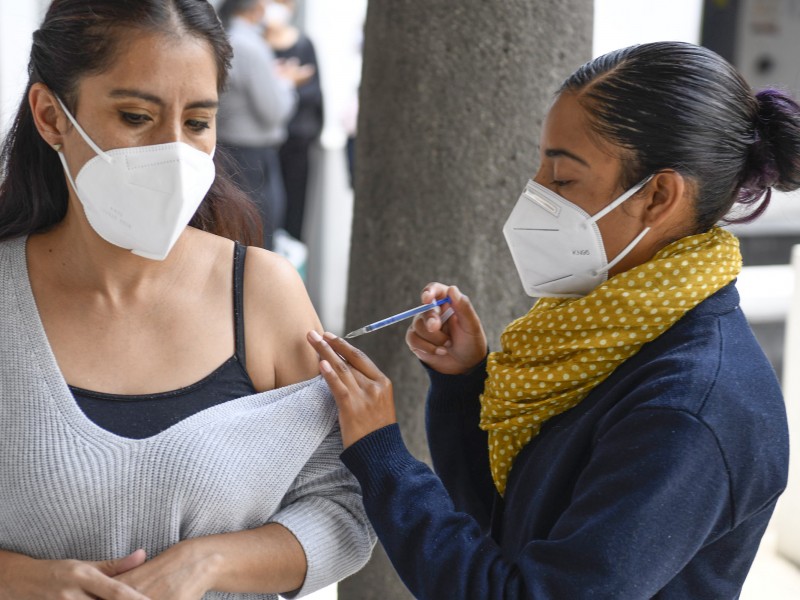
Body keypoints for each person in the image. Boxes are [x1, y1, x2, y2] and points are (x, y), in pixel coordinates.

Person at [306, 41, 795, 598]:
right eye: (539, 169)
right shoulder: (603, 332)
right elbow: (504, 520)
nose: (534, 195)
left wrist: (382, 454)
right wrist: (464, 382)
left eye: (562, 180)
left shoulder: (689, 407)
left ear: (658, 194)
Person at [0, 1, 373, 598]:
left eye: (197, 123)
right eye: (135, 115)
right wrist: (23, 579)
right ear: (50, 116)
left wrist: (211, 564)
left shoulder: (262, 293)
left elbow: (342, 508)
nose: (171, 152)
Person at [216, 0, 312, 249]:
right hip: (251, 160)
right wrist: (287, 83)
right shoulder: (250, 46)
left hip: (229, 152)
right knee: (257, 240)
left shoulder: (227, 38)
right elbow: (274, 110)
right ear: (256, 7)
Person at [264, 0, 324, 242]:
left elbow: (315, 93)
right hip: (265, 143)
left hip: (298, 141)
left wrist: (288, 86)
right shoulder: (255, 45)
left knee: (295, 211)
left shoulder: (303, 44)